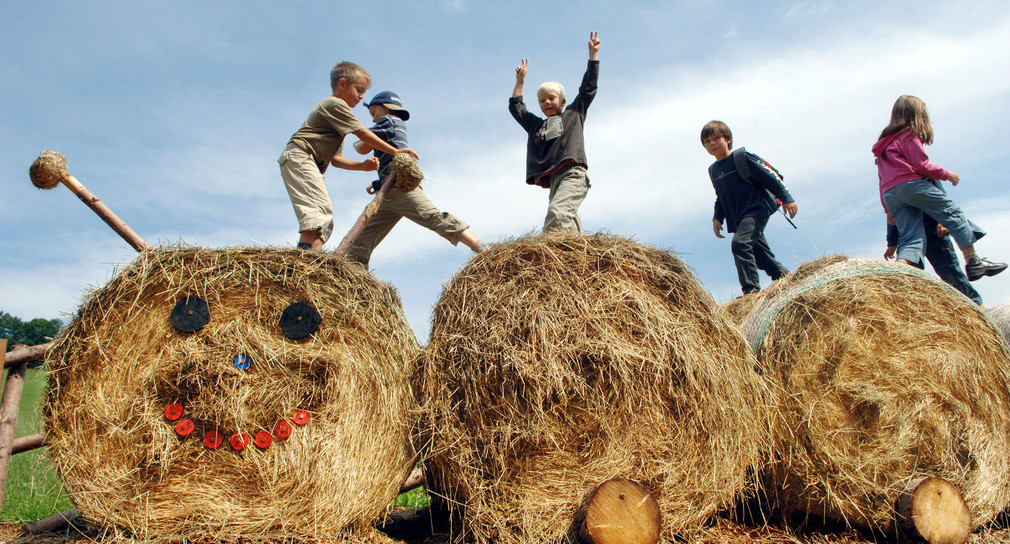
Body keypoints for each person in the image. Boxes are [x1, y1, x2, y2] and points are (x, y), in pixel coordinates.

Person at [278, 61, 419, 251]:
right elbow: (362, 133)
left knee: (326, 218)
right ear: (342, 83)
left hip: (308, 161)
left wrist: (362, 165)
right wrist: (395, 151)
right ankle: (301, 259)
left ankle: (314, 260)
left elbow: (335, 160)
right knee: (316, 211)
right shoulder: (334, 104)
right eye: (358, 90)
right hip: (300, 156)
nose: (361, 97)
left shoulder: (338, 125)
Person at [873, 95, 1005, 281]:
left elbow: (881, 182)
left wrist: (888, 210)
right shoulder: (908, 134)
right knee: (953, 213)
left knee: (911, 238)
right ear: (917, 115)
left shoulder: (883, 147)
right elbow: (922, 166)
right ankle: (973, 262)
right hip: (912, 185)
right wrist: (947, 174)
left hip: (891, 195)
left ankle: (899, 273)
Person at [347, 91, 486, 267]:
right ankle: (355, 277)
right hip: (388, 194)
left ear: (386, 108)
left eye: (374, 113)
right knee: (362, 239)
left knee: (433, 217)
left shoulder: (389, 121)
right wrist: (378, 183)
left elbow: (361, 147)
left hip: (400, 188)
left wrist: (354, 133)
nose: (374, 120)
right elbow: (386, 158)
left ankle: (480, 247)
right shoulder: (393, 125)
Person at [509, 32, 600, 232]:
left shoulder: (574, 113)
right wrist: (520, 81)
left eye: (551, 98)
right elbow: (517, 109)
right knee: (569, 226)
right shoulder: (537, 126)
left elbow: (588, 88)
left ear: (563, 101)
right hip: (555, 179)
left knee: (558, 213)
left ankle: (544, 256)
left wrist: (593, 57)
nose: (547, 103)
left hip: (573, 174)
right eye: (542, 101)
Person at [702, 120, 799, 295]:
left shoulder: (741, 157)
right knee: (762, 258)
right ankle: (787, 279)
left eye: (717, 138)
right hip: (738, 217)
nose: (712, 143)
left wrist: (787, 198)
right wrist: (717, 217)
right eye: (707, 141)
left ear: (728, 139)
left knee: (740, 244)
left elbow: (770, 177)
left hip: (756, 210)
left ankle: (751, 291)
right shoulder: (713, 170)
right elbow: (720, 196)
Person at [885, 214, 983, 305]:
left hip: (934, 234)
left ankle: (975, 304)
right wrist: (892, 241)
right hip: (908, 238)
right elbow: (893, 209)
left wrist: (943, 221)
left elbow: (938, 201)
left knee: (950, 274)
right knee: (909, 278)